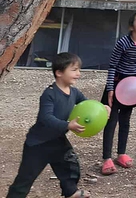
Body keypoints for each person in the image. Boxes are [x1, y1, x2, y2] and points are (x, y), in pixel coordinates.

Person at [7, 52, 109, 198]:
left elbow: (89, 106)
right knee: (25, 178)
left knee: (70, 166)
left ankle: (71, 192)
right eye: (74, 70)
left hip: (57, 140)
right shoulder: (49, 94)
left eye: (79, 70)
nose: (78, 73)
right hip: (38, 144)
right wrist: (68, 125)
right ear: (59, 72)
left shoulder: (74, 92)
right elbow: (46, 118)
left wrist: (103, 108)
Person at [101, 10, 136, 175]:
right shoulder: (123, 42)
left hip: (133, 85)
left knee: (125, 120)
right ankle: (106, 158)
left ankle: (121, 154)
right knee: (111, 120)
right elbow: (112, 65)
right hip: (117, 82)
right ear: (132, 26)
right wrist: (110, 88)